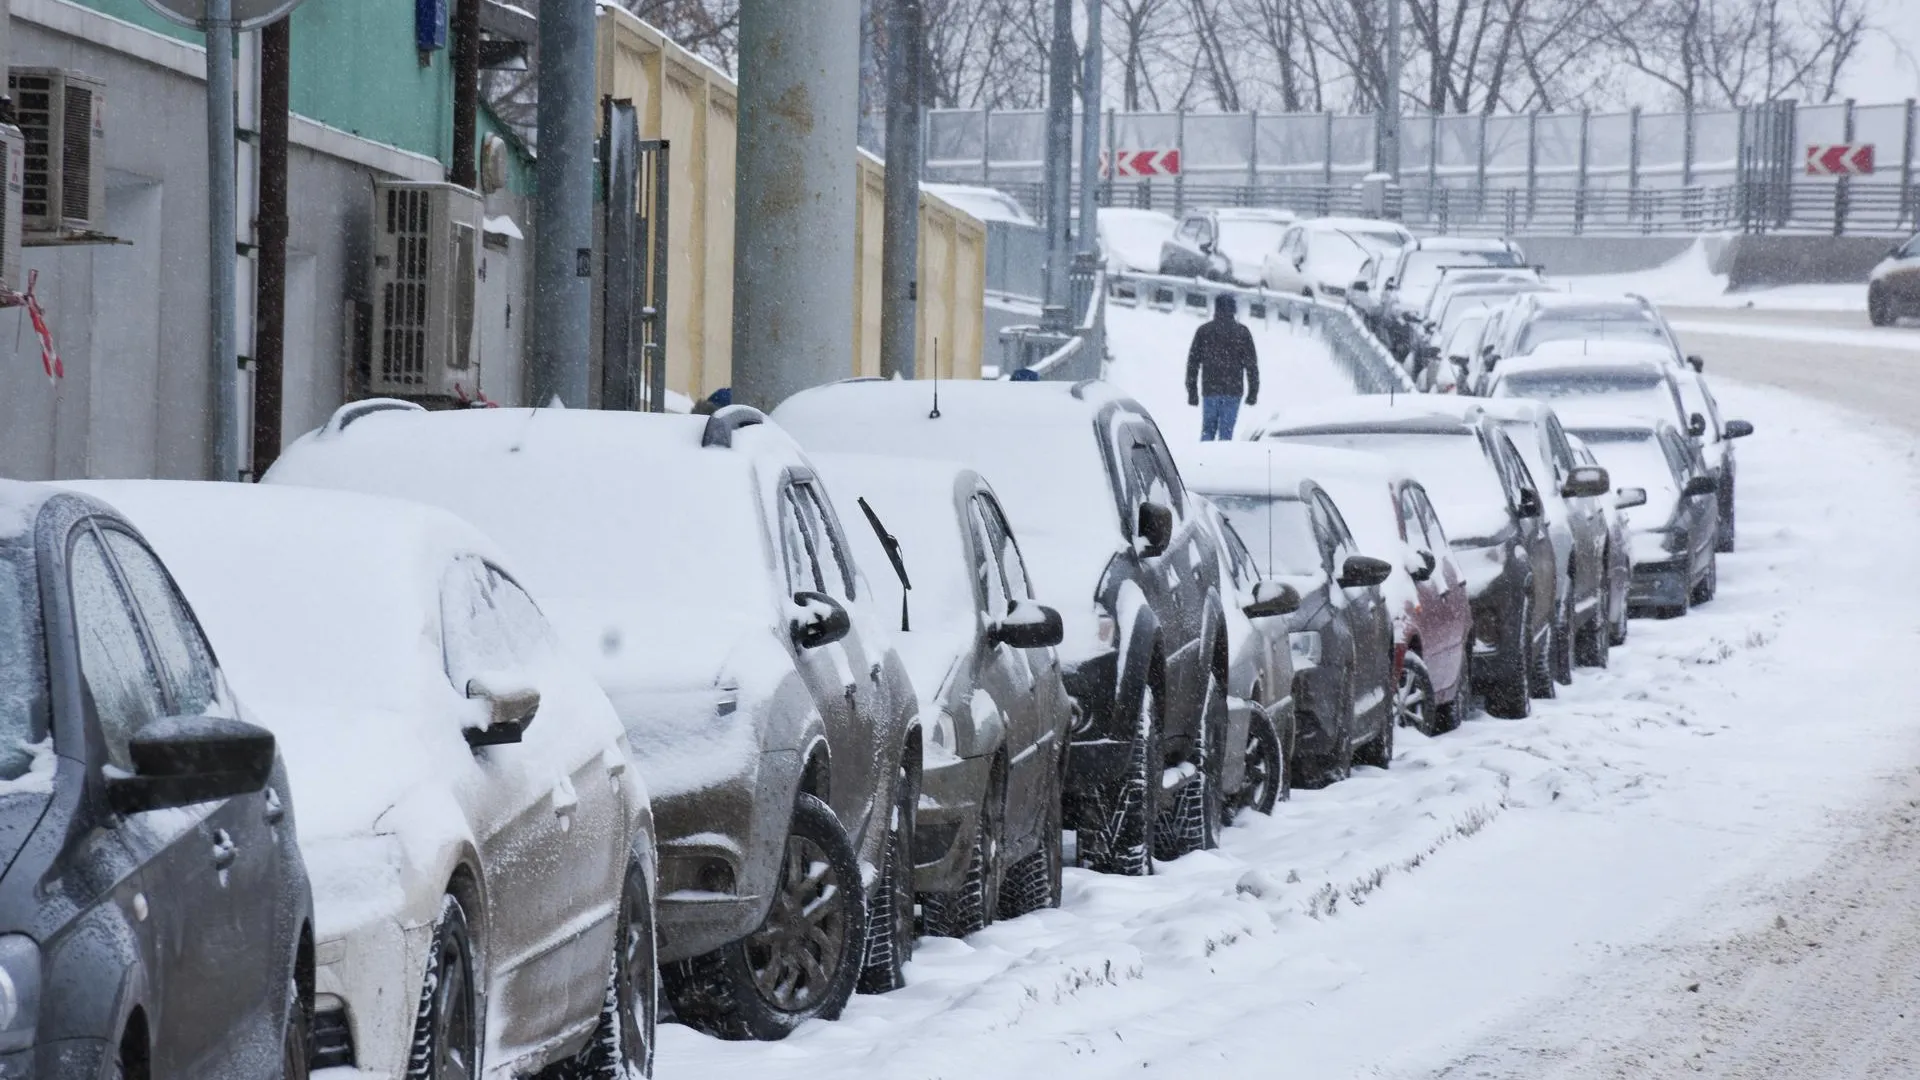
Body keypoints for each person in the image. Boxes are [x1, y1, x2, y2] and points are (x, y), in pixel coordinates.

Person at [1186, 293, 1260, 441]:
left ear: (1216, 308)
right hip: (1233, 390)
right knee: (1226, 433)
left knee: (1208, 430)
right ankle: (1222, 461)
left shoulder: (1204, 331)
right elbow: (1251, 365)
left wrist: (1192, 391)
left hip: (1210, 389)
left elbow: (1193, 363)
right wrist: (1253, 392)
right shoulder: (1242, 332)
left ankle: (1204, 461)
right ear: (1234, 310)